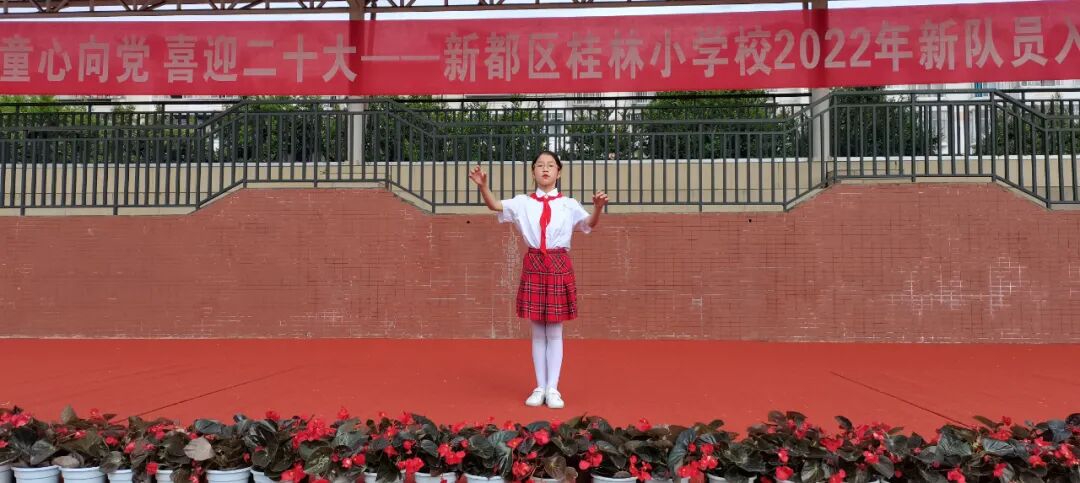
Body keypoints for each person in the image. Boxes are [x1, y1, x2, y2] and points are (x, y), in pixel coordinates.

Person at [468, 151, 608, 409]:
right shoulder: (523, 202)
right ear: (533, 172)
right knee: (537, 330)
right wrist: (483, 187)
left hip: (558, 263)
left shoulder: (568, 204)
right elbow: (495, 205)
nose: (545, 169)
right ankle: (539, 387)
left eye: (551, 165)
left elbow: (589, 223)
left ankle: (553, 389)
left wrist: (598, 208)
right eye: (540, 165)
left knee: (554, 330)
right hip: (534, 262)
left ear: (559, 172)